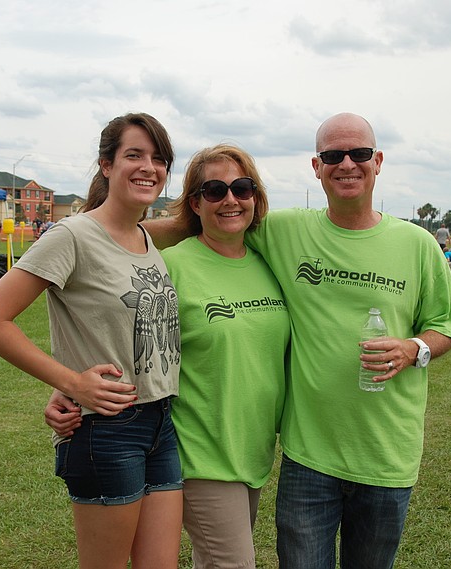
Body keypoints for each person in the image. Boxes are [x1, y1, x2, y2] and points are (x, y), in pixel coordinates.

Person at [145, 112, 451, 569]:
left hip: (386, 454)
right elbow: (206, 224)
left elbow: (447, 325)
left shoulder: (417, 244)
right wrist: (108, 228)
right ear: (317, 167)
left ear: (377, 161)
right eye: (333, 156)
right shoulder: (285, 231)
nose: (347, 164)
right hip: (307, 457)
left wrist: (414, 348)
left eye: (359, 154)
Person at [47, 144, 290, 568]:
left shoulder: (268, 262)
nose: (230, 199)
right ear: (194, 203)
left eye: (241, 187)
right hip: (198, 450)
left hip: (252, 449)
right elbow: (115, 328)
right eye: (214, 191)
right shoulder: (169, 265)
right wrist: (67, 385)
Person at [0, 112, 183, 569]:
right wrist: (71, 383)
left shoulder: (145, 236)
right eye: (134, 155)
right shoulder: (72, 235)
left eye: (159, 158)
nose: (148, 167)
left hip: (162, 423)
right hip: (106, 429)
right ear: (106, 165)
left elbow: (206, 218)